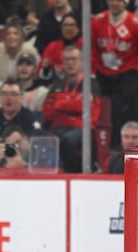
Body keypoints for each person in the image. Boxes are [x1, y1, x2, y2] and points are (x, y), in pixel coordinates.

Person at [91, 0, 138, 149]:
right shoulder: (96, 22)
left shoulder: (137, 23)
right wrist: (91, 74)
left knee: (132, 103)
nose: (115, 3)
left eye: (119, 0)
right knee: (103, 106)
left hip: (128, 72)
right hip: (103, 74)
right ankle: (111, 150)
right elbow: (91, 50)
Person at [42, 45, 100, 173]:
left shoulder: (90, 84)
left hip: (82, 128)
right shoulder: (56, 85)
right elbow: (47, 112)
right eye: (67, 60)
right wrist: (71, 103)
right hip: (59, 127)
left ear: (82, 62)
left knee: (67, 140)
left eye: (73, 59)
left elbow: (85, 107)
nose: (70, 63)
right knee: (45, 139)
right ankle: (58, 174)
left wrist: (60, 105)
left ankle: (74, 172)